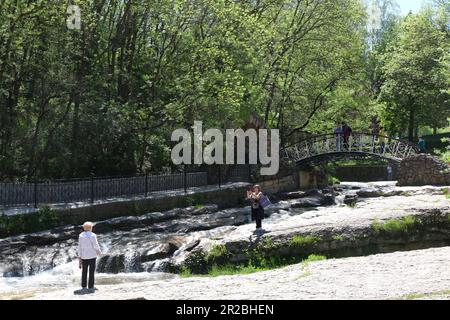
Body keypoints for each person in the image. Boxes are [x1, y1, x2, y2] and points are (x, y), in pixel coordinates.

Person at [78, 222, 102, 293]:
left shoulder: (81, 235)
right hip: (92, 256)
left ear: (84, 228)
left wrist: (79, 256)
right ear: (90, 228)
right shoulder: (93, 235)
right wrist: (99, 252)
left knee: (84, 271)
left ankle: (84, 286)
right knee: (91, 271)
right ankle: (91, 286)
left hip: (84, 256)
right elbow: (95, 245)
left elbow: (79, 246)